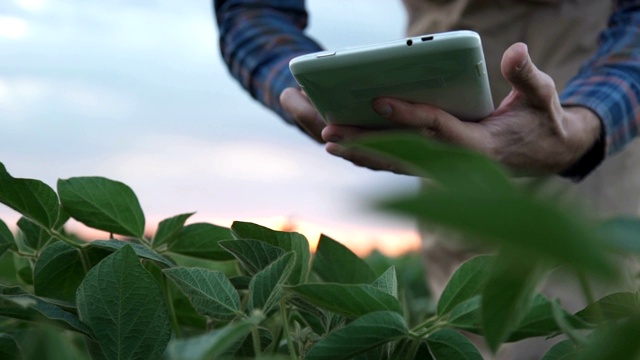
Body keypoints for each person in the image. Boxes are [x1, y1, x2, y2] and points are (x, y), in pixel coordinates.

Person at [214, 0, 640, 358]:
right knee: (469, 327)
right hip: (438, 127)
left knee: (587, 316)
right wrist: (303, 88)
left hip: (587, 107)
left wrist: (586, 123)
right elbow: (252, 10)